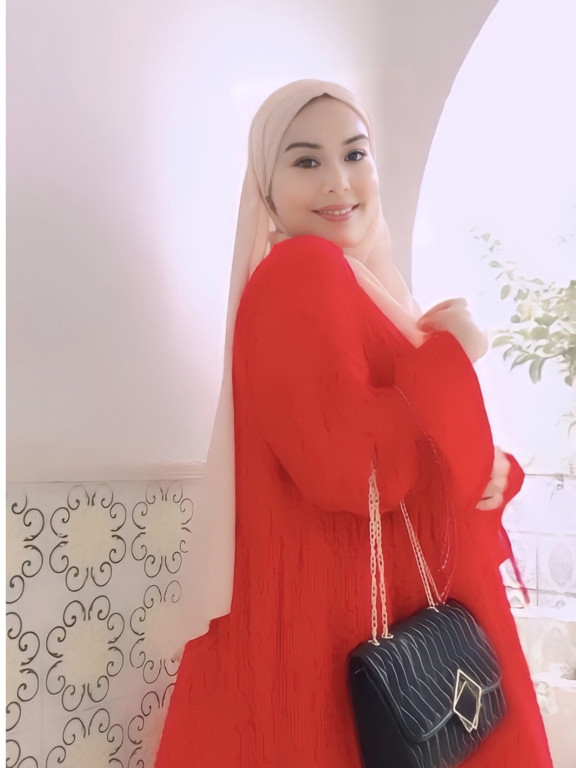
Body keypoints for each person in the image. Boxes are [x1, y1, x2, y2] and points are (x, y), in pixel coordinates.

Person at [154, 80, 552, 767]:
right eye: (306, 160)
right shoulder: (300, 273)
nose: (338, 180)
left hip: (379, 626)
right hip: (340, 639)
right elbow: (358, 470)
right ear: (267, 187)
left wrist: (494, 468)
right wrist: (451, 351)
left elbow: (420, 451)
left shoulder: (371, 289)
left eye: (354, 154)